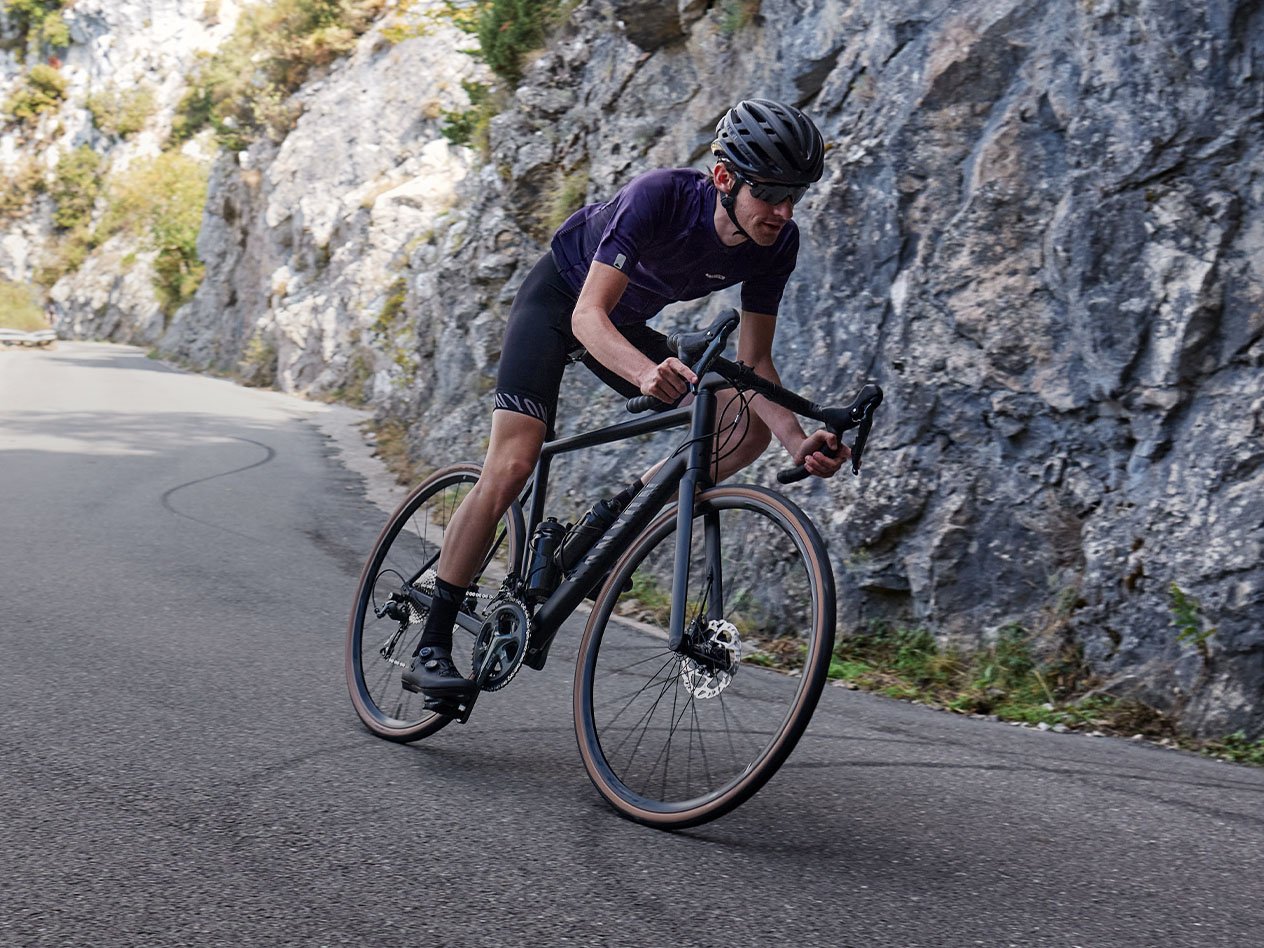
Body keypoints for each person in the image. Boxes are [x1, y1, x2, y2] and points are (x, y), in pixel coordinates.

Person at [402, 98, 850, 698]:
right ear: (724, 178)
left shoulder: (776, 242)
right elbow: (588, 316)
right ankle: (431, 639)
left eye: (795, 193)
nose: (783, 210)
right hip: (562, 303)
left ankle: (614, 521)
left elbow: (754, 362)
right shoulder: (660, 196)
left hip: (628, 321)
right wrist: (644, 374)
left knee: (746, 425)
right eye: (771, 192)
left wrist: (798, 442)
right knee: (512, 465)